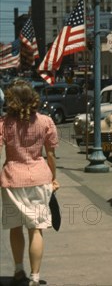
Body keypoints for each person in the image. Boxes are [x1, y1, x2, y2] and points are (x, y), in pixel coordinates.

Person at [0, 80, 59, 286]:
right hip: (40, 178)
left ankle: (18, 270)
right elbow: (51, 155)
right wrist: (53, 178)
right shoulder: (45, 122)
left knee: (15, 227)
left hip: (12, 180)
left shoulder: (4, 124)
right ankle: (35, 277)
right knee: (36, 229)